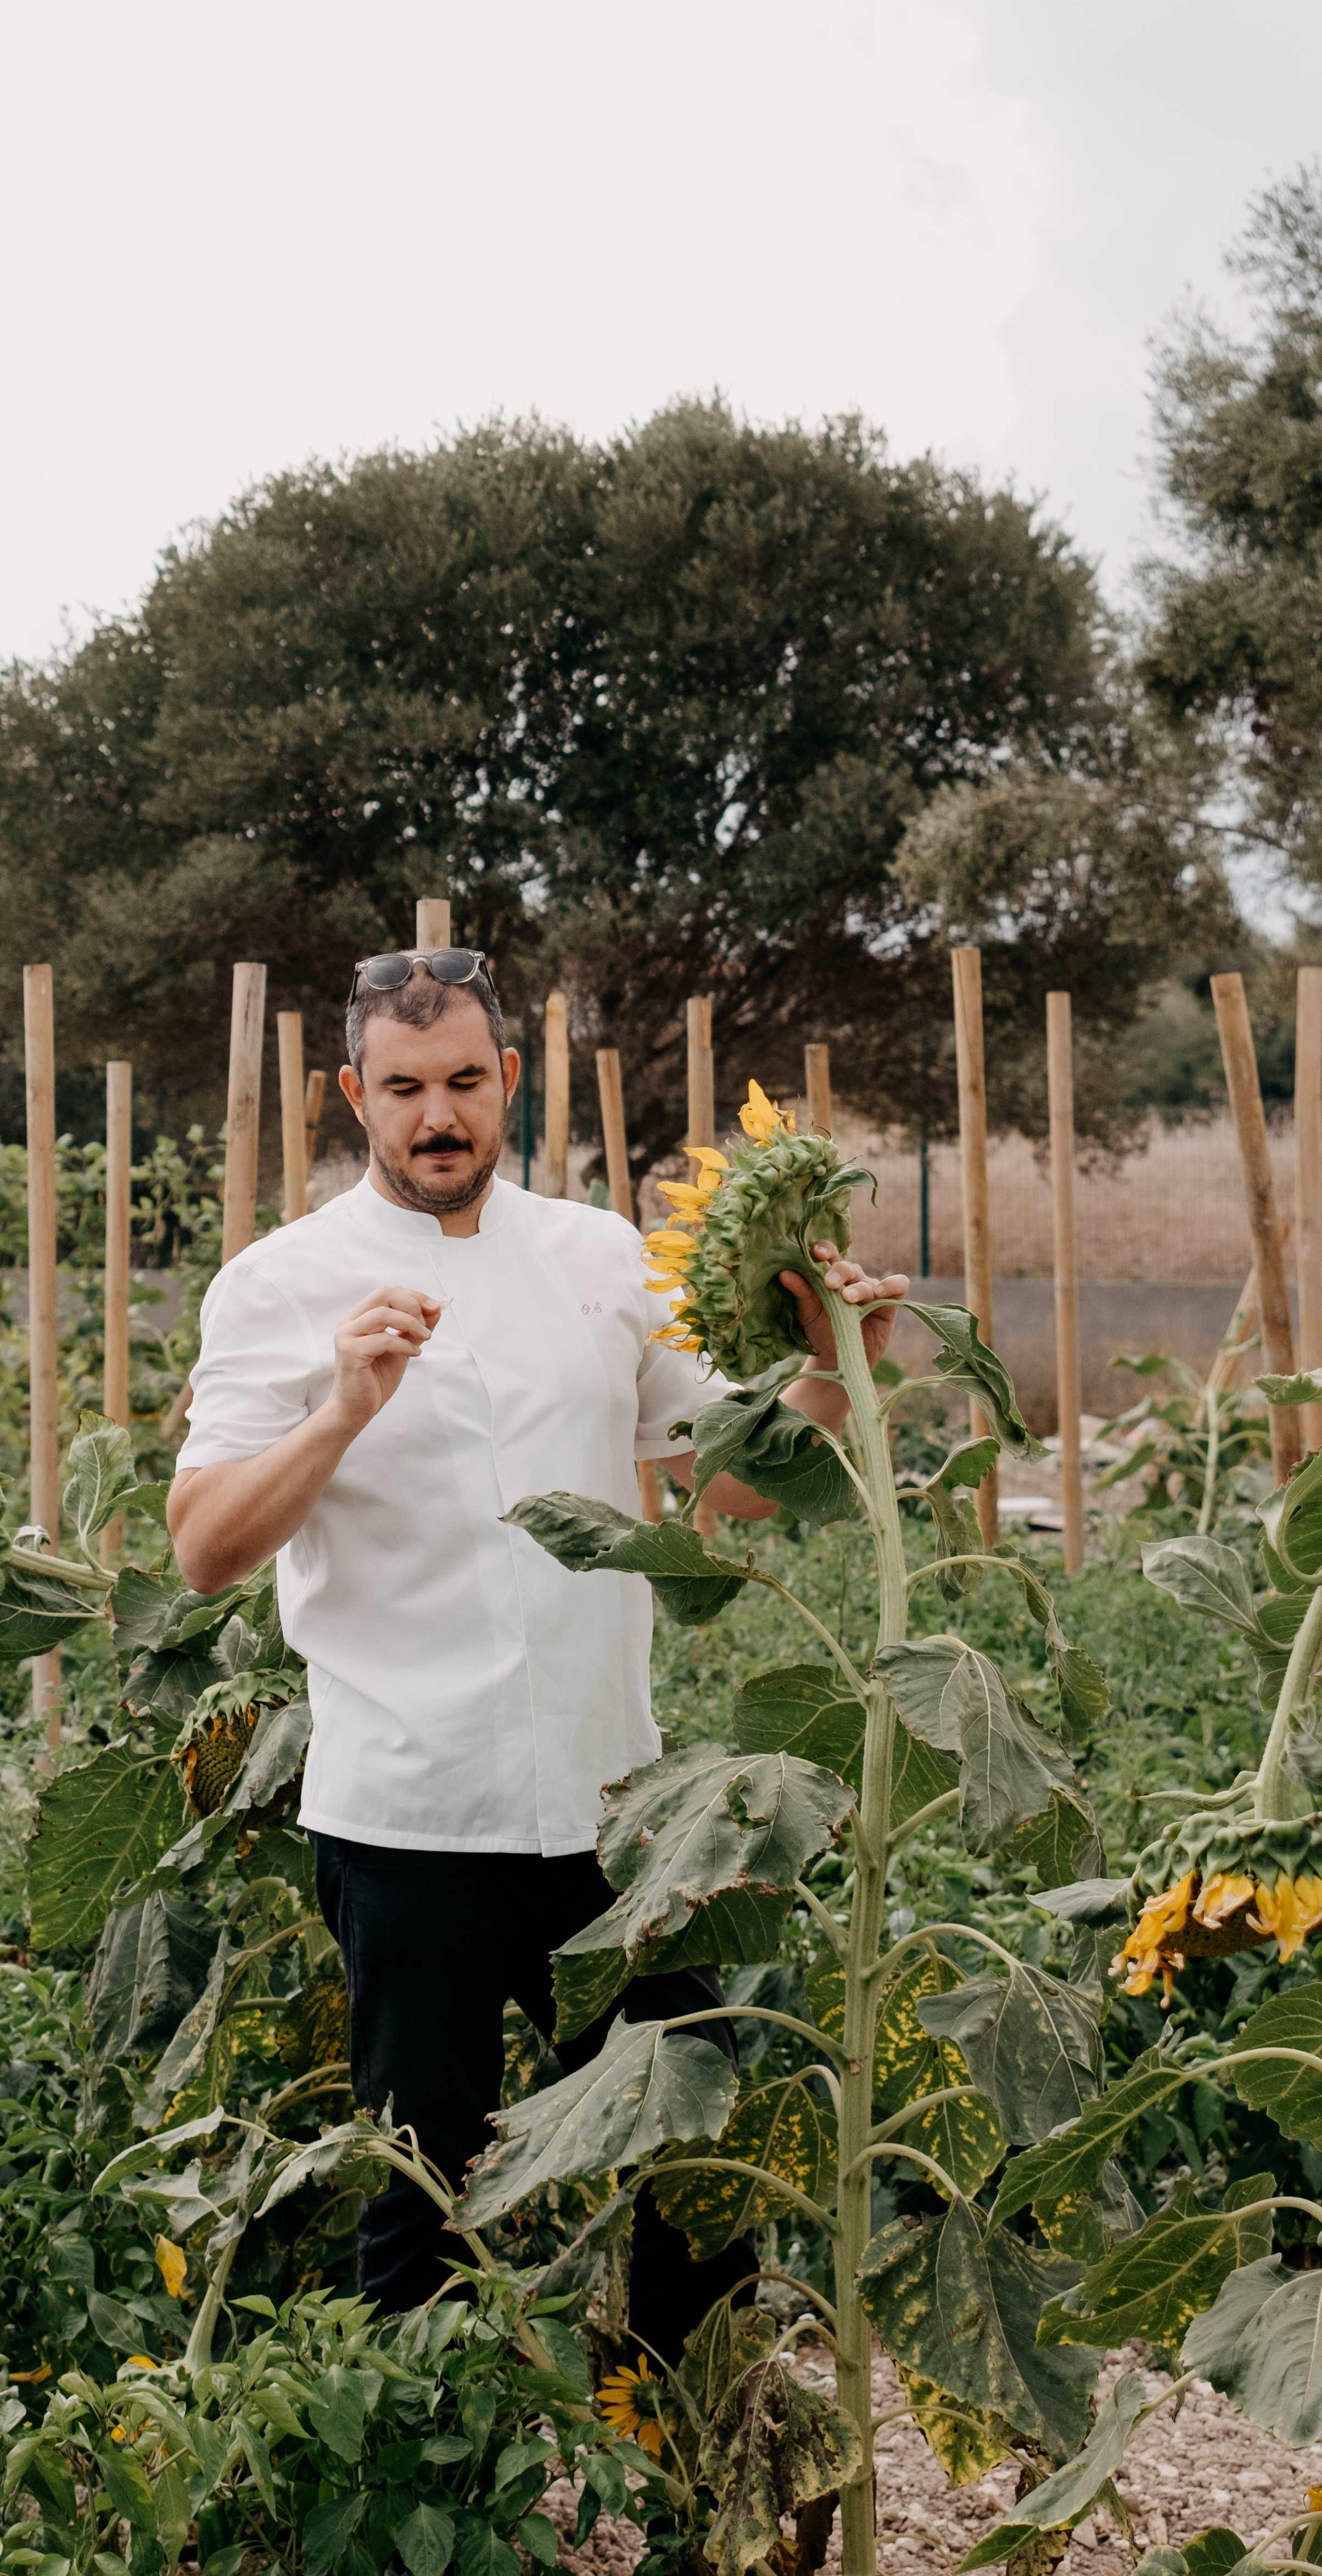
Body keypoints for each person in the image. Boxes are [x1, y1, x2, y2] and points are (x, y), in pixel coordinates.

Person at [168, 948, 906, 2359]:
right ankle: (428, 2543)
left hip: (613, 1813)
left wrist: (835, 1361)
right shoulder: (278, 1286)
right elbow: (203, 1545)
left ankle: (700, 2510)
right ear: (350, 1097)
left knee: (692, 2179)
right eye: (401, 1090)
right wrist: (338, 1410)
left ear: (508, 1081)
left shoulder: (598, 1253)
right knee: (422, 2196)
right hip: (407, 1809)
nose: (434, 1117)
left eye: (461, 1083)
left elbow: (725, 1481)